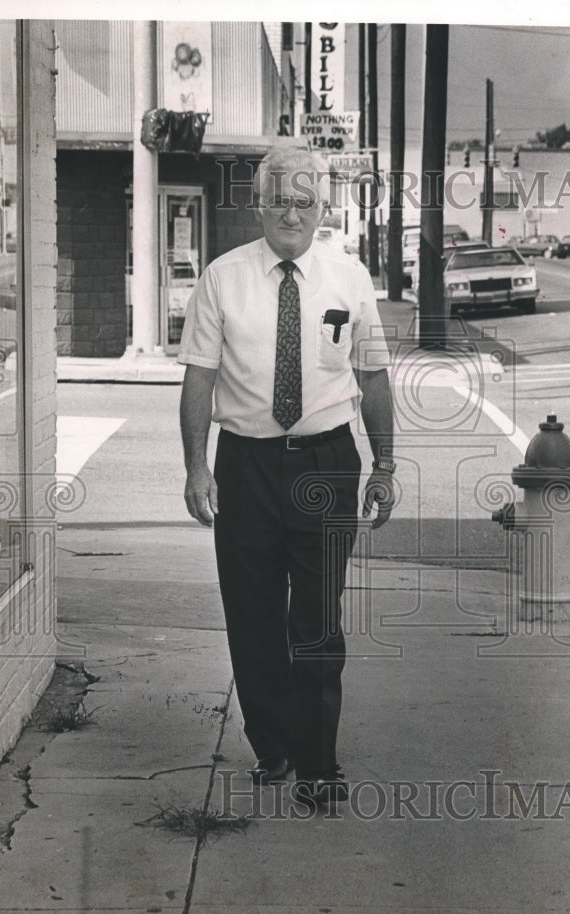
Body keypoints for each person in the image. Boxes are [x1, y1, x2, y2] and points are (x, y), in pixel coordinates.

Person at [178, 147, 395, 807]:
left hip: (327, 462)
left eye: (306, 202)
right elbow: (199, 379)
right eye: (281, 201)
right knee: (253, 616)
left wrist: (384, 464)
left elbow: (375, 375)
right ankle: (272, 746)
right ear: (259, 205)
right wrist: (196, 465)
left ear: (323, 208)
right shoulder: (223, 278)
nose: (292, 213)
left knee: (318, 620)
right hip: (245, 465)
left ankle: (318, 762)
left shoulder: (349, 277)